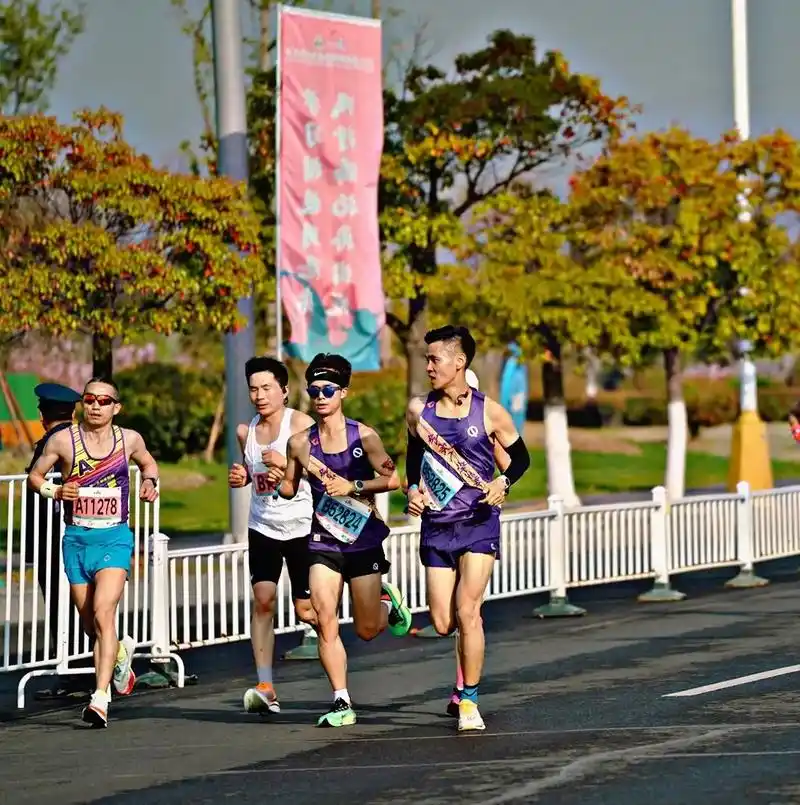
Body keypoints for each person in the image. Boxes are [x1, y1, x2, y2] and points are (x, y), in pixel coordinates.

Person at [405, 325, 531, 731]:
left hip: (478, 521)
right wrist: (411, 489)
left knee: (468, 611)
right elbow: (412, 455)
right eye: (427, 359)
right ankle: (464, 668)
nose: (428, 366)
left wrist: (503, 482)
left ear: (459, 362)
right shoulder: (417, 410)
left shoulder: (489, 411)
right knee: (443, 622)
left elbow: (521, 458)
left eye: (434, 359)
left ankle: (469, 701)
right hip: (437, 525)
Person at [279, 352, 412, 728]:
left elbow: (393, 479)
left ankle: (388, 603)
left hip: (363, 539)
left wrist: (352, 485)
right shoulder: (299, 443)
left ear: (344, 393)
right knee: (324, 617)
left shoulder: (364, 436)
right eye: (314, 389)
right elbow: (290, 487)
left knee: (368, 630)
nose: (320, 396)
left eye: (328, 389)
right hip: (323, 539)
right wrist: (280, 482)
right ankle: (341, 700)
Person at [27, 377, 159, 728]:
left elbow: (149, 464)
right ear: (83, 404)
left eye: (104, 400)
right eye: (90, 399)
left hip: (113, 538)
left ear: (116, 407)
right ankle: (118, 656)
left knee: (104, 613)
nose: (96, 406)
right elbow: (35, 477)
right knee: (91, 622)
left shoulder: (128, 439)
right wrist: (55, 492)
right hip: (76, 539)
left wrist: (149, 482)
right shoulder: (62, 441)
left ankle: (100, 698)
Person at [228, 356, 317, 714]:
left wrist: (289, 468)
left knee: (307, 609)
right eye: (254, 389)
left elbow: (326, 475)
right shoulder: (244, 432)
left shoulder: (302, 426)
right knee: (262, 600)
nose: (260, 395)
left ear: (284, 390)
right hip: (263, 526)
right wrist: (244, 478)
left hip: (302, 526)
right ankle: (265, 685)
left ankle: (368, 603)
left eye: (267, 388)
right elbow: (253, 475)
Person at [24, 384, 83, 696]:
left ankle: (72, 671)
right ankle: (75, 667)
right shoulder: (78, 438)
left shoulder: (53, 443)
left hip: (53, 535)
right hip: (65, 533)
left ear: (43, 414)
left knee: (63, 603)